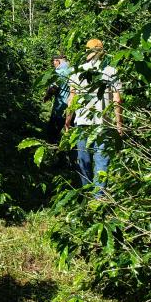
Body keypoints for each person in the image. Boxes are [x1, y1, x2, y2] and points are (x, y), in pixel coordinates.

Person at [66, 39, 122, 196]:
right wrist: (119, 124)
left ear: (86, 52)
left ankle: (86, 196)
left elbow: (72, 100)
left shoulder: (76, 72)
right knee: (101, 161)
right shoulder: (111, 71)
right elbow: (117, 100)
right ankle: (99, 199)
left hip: (82, 124)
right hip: (103, 123)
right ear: (102, 53)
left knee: (83, 161)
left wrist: (67, 122)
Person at [43, 54, 73, 144]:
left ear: (57, 61)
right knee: (68, 131)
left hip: (60, 107)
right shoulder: (72, 70)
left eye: (54, 62)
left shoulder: (60, 72)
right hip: (71, 107)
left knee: (52, 132)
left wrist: (47, 96)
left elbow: (53, 88)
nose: (53, 64)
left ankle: (53, 150)